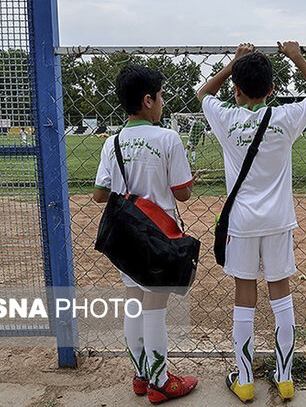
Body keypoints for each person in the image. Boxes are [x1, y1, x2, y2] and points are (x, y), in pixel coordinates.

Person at [197, 41, 306, 403]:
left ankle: (244, 379)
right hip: (278, 220)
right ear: (272, 90)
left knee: (244, 295)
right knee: (280, 293)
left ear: (236, 91)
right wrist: (296, 57)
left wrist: (233, 63)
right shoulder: (285, 117)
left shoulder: (225, 116)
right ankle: (284, 378)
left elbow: (203, 93)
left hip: (241, 222)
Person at [92, 65, 198, 404]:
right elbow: (182, 194)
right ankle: (161, 381)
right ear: (148, 99)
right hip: (158, 236)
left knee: (134, 304)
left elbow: (99, 194)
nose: (163, 102)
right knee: (155, 307)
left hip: (126, 234)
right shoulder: (168, 138)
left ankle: (140, 376)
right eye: (161, 95)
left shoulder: (114, 141)